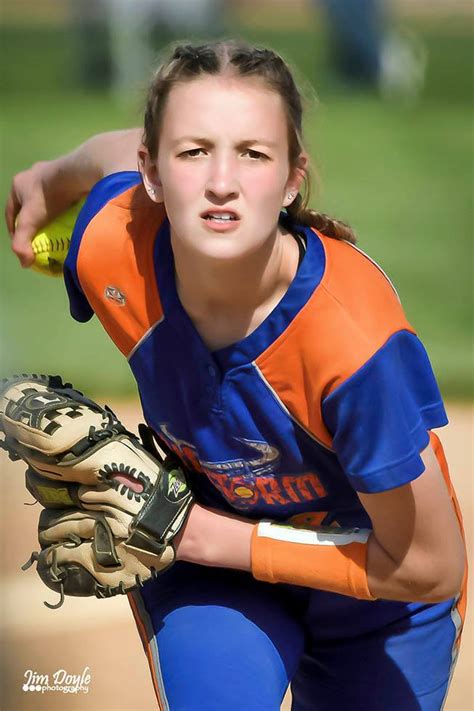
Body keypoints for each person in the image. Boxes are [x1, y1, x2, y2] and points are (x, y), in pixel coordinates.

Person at [5, 40, 467, 711]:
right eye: (193, 152)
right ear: (153, 173)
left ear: (291, 179)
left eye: (254, 153)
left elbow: (430, 562)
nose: (222, 180)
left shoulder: (357, 348)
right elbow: (115, 154)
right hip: (209, 568)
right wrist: (51, 178)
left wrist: (210, 536)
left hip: (378, 590)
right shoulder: (113, 246)